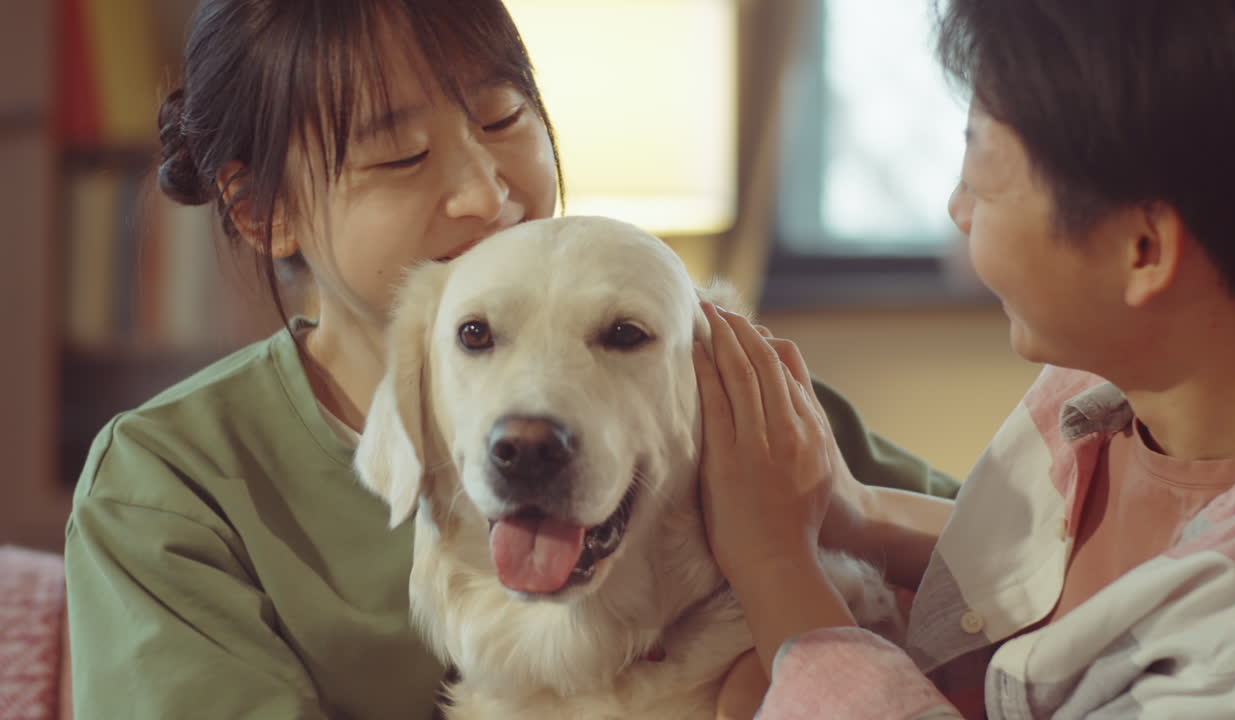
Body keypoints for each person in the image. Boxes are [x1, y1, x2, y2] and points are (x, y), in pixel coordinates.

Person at [62, 1, 958, 718]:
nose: (484, 194)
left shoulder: (710, 381)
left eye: (501, 119)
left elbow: (1019, 564)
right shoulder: (167, 486)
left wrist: (846, 534)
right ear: (264, 211)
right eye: (400, 155)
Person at [697, 0, 1235, 717]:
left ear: (1143, 251)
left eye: (981, 177)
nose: (958, 208)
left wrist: (775, 565)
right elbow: (1041, 566)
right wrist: (854, 514)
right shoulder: (1093, 389)